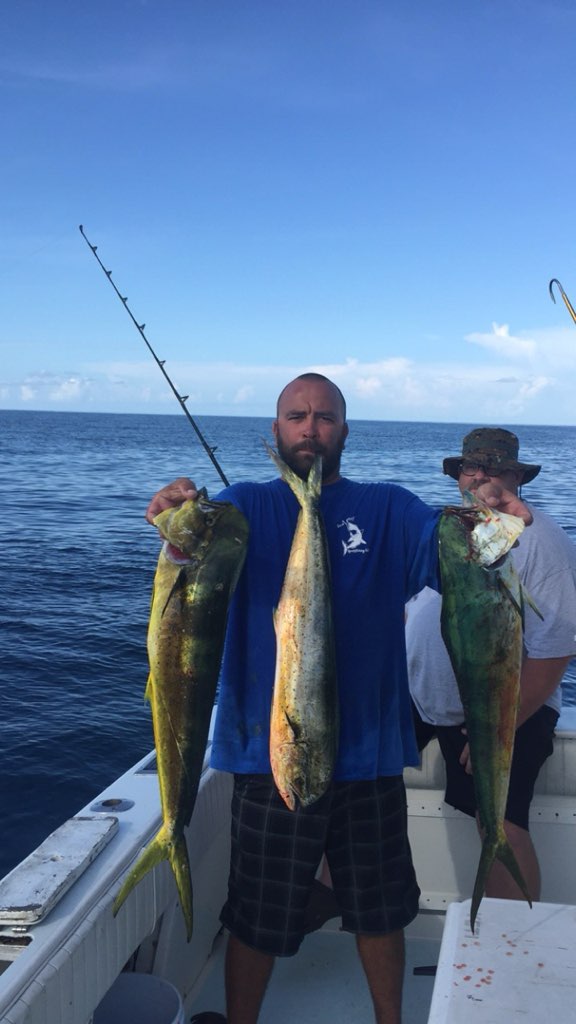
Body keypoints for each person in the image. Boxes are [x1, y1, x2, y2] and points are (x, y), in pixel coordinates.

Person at [146, 379, 531, 1024]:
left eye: (325, 418)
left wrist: (485, 517)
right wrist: (174, 520)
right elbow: (184, 567)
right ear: (275, 430)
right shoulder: (237, 510)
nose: (310, 429)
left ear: (345, 431)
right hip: (267, 755)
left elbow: (455, 550)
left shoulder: (388, 509)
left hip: (369, 757)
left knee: (380, 913)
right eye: (295, 417)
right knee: (256, 916)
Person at [407, 427, 576, 906]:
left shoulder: (542, 543)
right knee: (351, 773)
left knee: (499, 821)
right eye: (471, 467)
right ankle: (338, 900)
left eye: (496, 468)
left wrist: (501, 725)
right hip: (425, 696)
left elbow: (555, 651)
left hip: (505, 706)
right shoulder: (447, 529)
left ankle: (512, 941)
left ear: (517, 478)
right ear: (458, 474)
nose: (481, 477)